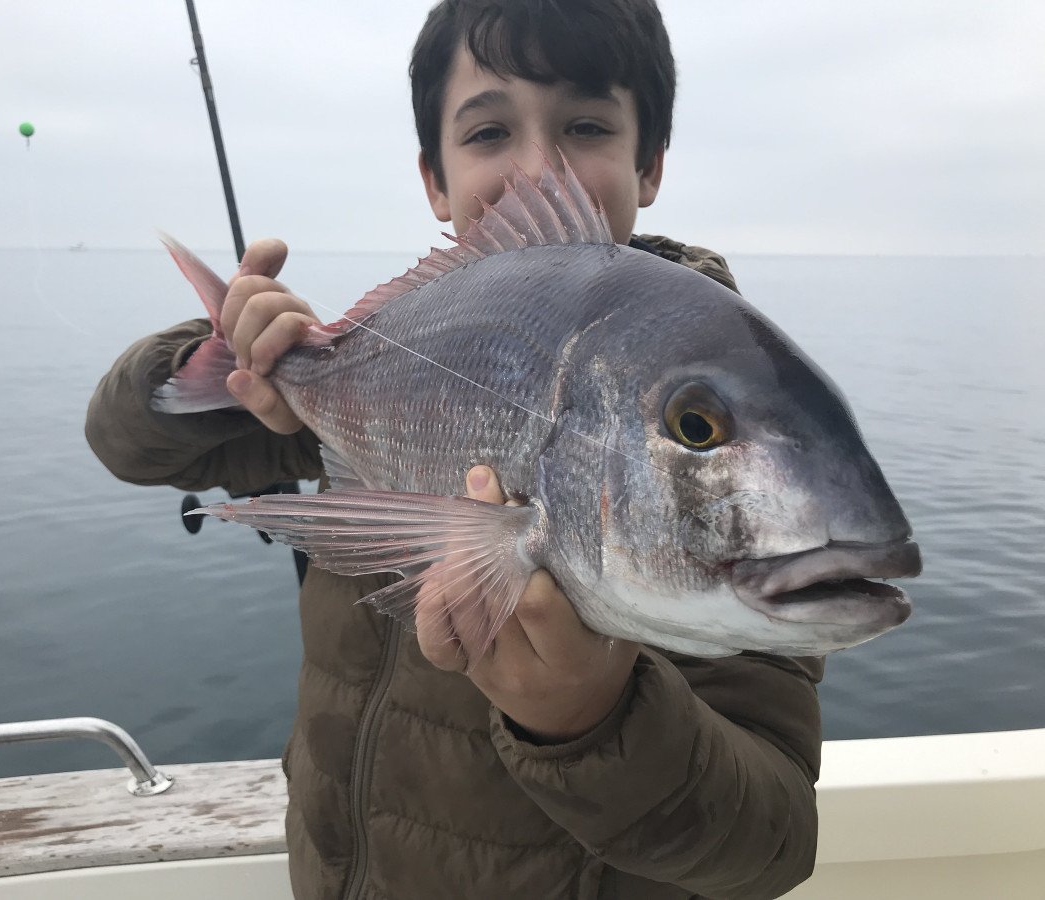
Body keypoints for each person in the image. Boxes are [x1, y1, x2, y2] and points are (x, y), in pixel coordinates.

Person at [85, 1, 823, 897]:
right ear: (436, 181)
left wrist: (587, 718)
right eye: (488, 133)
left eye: (587, 126)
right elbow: (129, 446)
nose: (539, 168)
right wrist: (231, 355)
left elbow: (771, 845)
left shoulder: (732, 432)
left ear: (650, 163)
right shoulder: (387, 360)